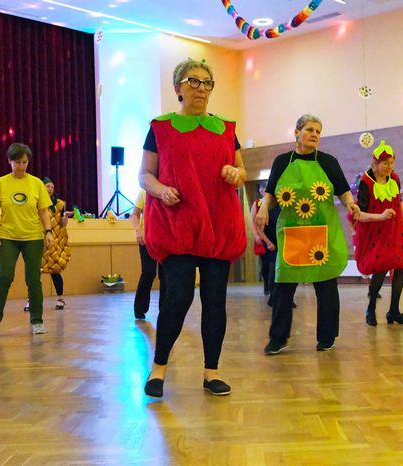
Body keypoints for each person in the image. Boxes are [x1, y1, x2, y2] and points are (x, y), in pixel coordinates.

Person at [139, 58, 246, 398]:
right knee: (178, 297)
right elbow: (144, 174)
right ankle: (159, 368)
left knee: (215, 300)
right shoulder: (160, 128)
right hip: (178, 225)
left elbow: (241, 171)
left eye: (206, 82)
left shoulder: (226, 128)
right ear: (178, 88)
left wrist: (236, 174)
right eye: (193, 81)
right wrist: (160, 190)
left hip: (218, 226)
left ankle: (212, 372)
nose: (201, 88)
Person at [255, 114, 360, 355]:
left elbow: (343, 191)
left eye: (318, 131)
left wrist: (350, 204)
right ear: (297, 132)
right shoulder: (282, 161)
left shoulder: (328, 162)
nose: (314, 134)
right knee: (282, 288)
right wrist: (262, 209)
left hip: (321, 235)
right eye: (310, 129)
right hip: (291, 234)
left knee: (326, 286)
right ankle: (278, 338)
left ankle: (327, 337)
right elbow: (270, 193)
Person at [0, 143, 53, 337]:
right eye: (17, 162)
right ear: (9, 161)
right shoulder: (0, 183)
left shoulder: (36, 184)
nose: (21, 166)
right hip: (8, 237)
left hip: (33, 237)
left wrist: (48, 231)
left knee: (33, 279)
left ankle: (37, 321)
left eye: (24, 162)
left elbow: (43, 211)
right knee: (4, 277)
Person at [352, 140, 403, 326]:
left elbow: (399, 201)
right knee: (380, 267)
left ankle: (394, 311)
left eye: (392, 163)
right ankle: (370, 308)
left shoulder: (394, 179)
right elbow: (359, 215)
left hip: (395, 229)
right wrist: (380, 216)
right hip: (375, 232)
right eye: (385, 163)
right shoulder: (365, 183)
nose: (389, 167)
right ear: (375, 163)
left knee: (401, 265)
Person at [129, 188, 165, 319]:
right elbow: (134, 215)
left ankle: (165, 310)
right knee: (148, 272)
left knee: (165, 275)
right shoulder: (144, 191)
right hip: (147, 239)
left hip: (166, 240)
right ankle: (139, 309)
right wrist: (138, 231)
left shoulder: (168, 189)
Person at [38, 177, 71, 310]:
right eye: (47, 186)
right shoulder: (37, 202)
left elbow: (62, 224)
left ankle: (60, 298)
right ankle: (31, 300)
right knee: (35, 271)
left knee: (55, 269)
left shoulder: (60, 204)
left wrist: (65, 217)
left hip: (55, 240)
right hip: (39, 239)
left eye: (52, 187)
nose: (50, 189)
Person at [250, 185, 272, 296]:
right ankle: (266, 285)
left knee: (274, 264)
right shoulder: (257, 203)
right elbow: (252, 221)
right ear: (261, 191)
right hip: (262, 238)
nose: (264, 191)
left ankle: (273, 287)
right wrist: (255, 235)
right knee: (265, 264)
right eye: (263, 190)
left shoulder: (275, 202)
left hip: (273, 236)